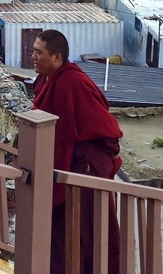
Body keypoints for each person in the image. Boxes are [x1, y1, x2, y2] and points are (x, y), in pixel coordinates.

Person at [31, 29, 123, 274]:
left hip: (86, 166)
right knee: (62, 227)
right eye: (34, 51)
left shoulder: (74, 82)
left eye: (39, 52)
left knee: (86, 227)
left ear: (57, 58)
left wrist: (113, 156)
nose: (33, 57)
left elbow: (105, 126)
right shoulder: (46, 80)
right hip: (63, 163)